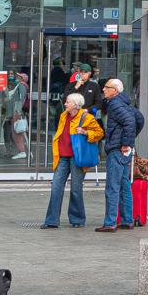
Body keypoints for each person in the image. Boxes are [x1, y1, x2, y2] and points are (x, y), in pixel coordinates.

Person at [42, 91, 103, 229]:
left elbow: (99, 133)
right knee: (56, 187)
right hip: (63, 156)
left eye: (67, 102)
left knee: (76, 189)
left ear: (75, 105)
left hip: (77, 157)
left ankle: (77, 219)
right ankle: (51, 220)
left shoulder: (86, 117)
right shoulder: (64, 115)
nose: (65, 104)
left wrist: (85, 132)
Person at [96, 78, 142, 232]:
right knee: (124, 186)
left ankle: (110, 223)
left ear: (115, 90)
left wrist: (125, 143)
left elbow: (130, 121)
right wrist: (129, 142)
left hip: (117, 150)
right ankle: (127, 220)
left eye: (106, 87)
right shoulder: (124, 102)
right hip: (122, 150)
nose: (103, 90)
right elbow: (139, 119)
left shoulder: (115, 104)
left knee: (112, 187)